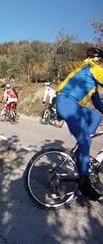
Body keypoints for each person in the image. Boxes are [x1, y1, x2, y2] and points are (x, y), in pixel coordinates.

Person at [55, 47, 103, 201]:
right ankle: (84, 183)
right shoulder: (92, 67)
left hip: (71, 104)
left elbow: (98, 104)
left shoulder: (87, 75)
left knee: (95, 117)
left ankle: (81, 154)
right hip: (68, 103)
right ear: (98, 60)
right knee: (85, 140)